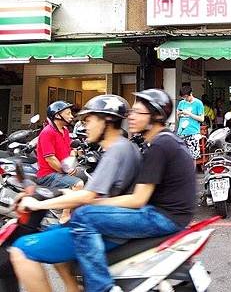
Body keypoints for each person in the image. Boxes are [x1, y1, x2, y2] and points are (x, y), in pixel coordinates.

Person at [64, 89, 197, 292]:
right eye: (131, 112)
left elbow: (138, 200)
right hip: (172, 215)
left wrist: (92, 202)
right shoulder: (163, 141)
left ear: (156, 116)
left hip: (163, 217)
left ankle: (101, 287)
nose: (130, 117)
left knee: (84, 216)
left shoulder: (160, 145)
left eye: (137, 113)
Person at [10, 95, 142, 292]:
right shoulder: (125, 147)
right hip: (108, 224)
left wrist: (37, 204)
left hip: (103, 229)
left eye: (88, 120)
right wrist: (45, 194)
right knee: (52, 234)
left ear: (106, 121)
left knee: (21, 249)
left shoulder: (116, 150)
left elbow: (88, 196)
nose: (83, 126)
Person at [36, 100, 85, 223]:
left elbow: (68, 150)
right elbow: (50, 159)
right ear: (58, 115)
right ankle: (65, 215)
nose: (71, 116)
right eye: (68, 113)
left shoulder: (65, 131)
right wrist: (65, 171)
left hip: (60, 172)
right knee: (78, 184)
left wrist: (75, 152)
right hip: (48, 175)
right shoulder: (47, 132)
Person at [176, 86, 205, 159]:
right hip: (181, 133)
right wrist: (178, 114)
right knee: (180, 157)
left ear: (191, 93)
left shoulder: (198, 103)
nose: (185, 99)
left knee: (193, 157)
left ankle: (192, 171)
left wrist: (189, 114)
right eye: (183, 97)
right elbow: (178, 119)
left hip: (193, 133)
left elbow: (202, 119)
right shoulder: (181, 103)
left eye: (186, 97)